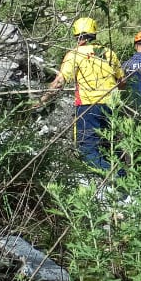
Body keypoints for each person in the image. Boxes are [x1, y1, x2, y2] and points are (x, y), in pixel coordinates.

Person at [36, 17, 124, 174]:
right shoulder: (109, 53)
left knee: (86, 149)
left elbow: (59, 83)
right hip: (112, 105)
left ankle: (114, 179)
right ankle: (124, 178)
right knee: (110, 145)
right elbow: (122, 81)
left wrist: (41, 101)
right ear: (94, 34)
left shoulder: (74, 54)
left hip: (88, 106)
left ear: (77, 36)